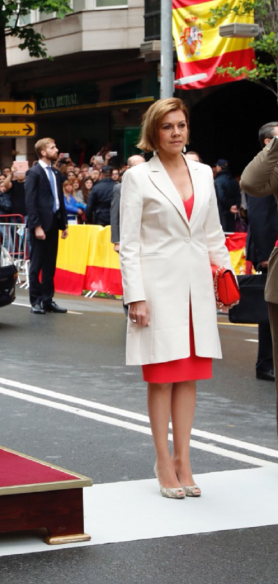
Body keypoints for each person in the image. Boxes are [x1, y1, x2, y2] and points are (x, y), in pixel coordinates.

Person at [120, 98, 231, 499]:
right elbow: (129, 243)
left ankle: (184, 459)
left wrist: (226, 276)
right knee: (162, 377)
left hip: (196, 287)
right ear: (154, 132)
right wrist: (136, 297)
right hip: (156, 287)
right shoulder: (138, 177)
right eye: (168, 126)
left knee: (189, 376)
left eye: (181, 125)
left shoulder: (203, 173)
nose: (176, 132)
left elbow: (212, 232)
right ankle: (163, 460)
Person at [241, 122, 278, 384]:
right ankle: (265, 363)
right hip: (270, 249)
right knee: (269, 315)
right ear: (268, 142)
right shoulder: (266, 169)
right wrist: (265, 254)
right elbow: (260, 216)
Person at [26, 137, 69, 314]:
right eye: (52, 147)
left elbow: (59, 200)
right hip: (40, 225)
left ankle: (47, 299)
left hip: (53, 223)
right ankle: (35, 301)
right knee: (37, 264)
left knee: (50, 264)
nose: (56, 150)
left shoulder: (56, 173)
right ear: (43, 152)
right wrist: (36, 226)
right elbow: (30, 201)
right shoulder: (33, 173)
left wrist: (64, 223)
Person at [111, 154, 146, 251]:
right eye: (137, 166)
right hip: (129, 236)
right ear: (128, 168)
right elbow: (115, 214)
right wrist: (116, 241)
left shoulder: (151, 185)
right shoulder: (120, 188)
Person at [214, 160, 241, 231]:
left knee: (223, 234)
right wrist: (236, 205)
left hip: (222, 213)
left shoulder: (218, 181)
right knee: (231, 233)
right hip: (232, 213)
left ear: (219, 167)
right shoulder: (234, 181)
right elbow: (238, 195)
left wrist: (230, 206)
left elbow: (221, 197)